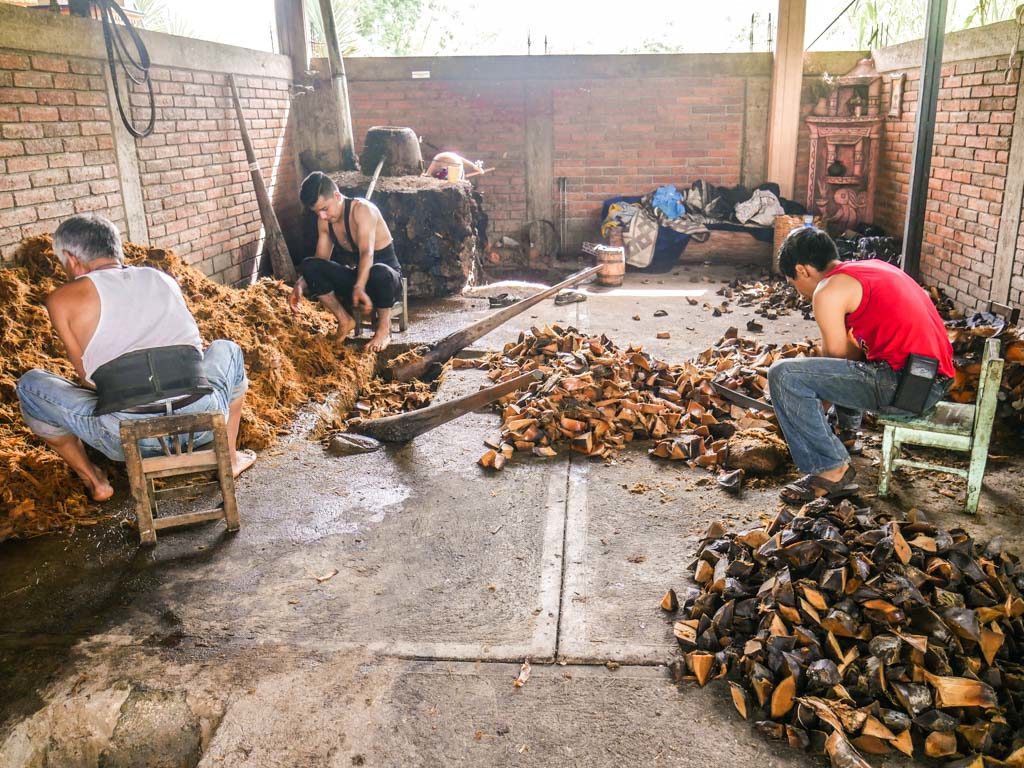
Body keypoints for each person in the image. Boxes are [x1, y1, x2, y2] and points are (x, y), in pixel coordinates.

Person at [16, 214, 255, 503]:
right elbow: (193, 351)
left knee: (30, 386)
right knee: (227, 349)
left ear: (71, 259)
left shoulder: (62, 299)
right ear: (116, 249)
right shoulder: (162, 278)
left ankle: (95, 481)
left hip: (126, 438)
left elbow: (88, 380)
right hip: (204, 422)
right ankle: (228, 458)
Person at [768, 226, 954, 505]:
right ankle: (846, 435)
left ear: (803, 270)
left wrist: (809, 406)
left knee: (783, 375)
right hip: (929, 382)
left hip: (905, 387)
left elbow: (835, 360)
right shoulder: (873, 268)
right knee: (853, 358)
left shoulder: (828, 289)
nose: (800, 291)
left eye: (794, 282)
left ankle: (830, 469)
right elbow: (849, 360)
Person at [291, 172, 403, 353]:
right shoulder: (324, 221)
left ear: (336, 196)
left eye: (325, 209)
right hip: (359, 276)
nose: (323, 216)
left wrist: (359, 287)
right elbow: (321, 261)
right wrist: (300, 285)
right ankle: (345, 320)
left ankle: (384, 330)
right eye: (317, 212)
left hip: (386, 279)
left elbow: (367, 253)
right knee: (309, 265)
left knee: (380, 272)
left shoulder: (362, 210)